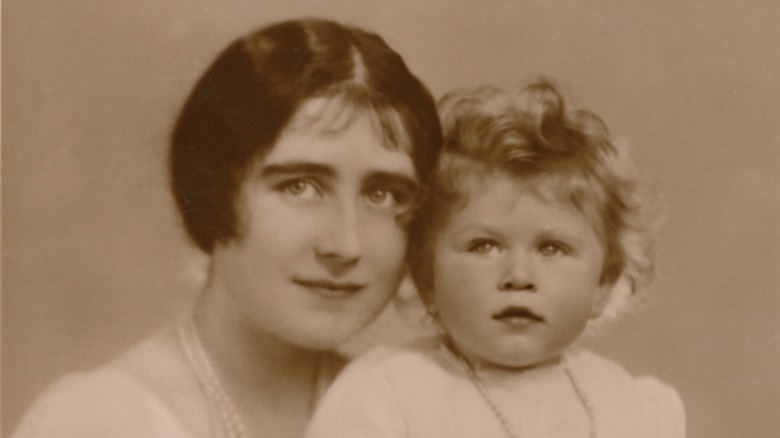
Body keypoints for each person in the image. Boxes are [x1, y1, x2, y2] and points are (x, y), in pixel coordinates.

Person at [11, 18, 442, 438]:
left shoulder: (407, 414)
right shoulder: (97, 422)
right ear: (214, 189)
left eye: (382, 194)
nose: (345, 244)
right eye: (300, 186)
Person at [305, 79, 685, 438]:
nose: (518, 276)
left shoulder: (634, 407)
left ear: (603, 283)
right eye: (484, 246)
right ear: (426, 280)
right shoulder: (385, 395)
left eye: (551, 248)